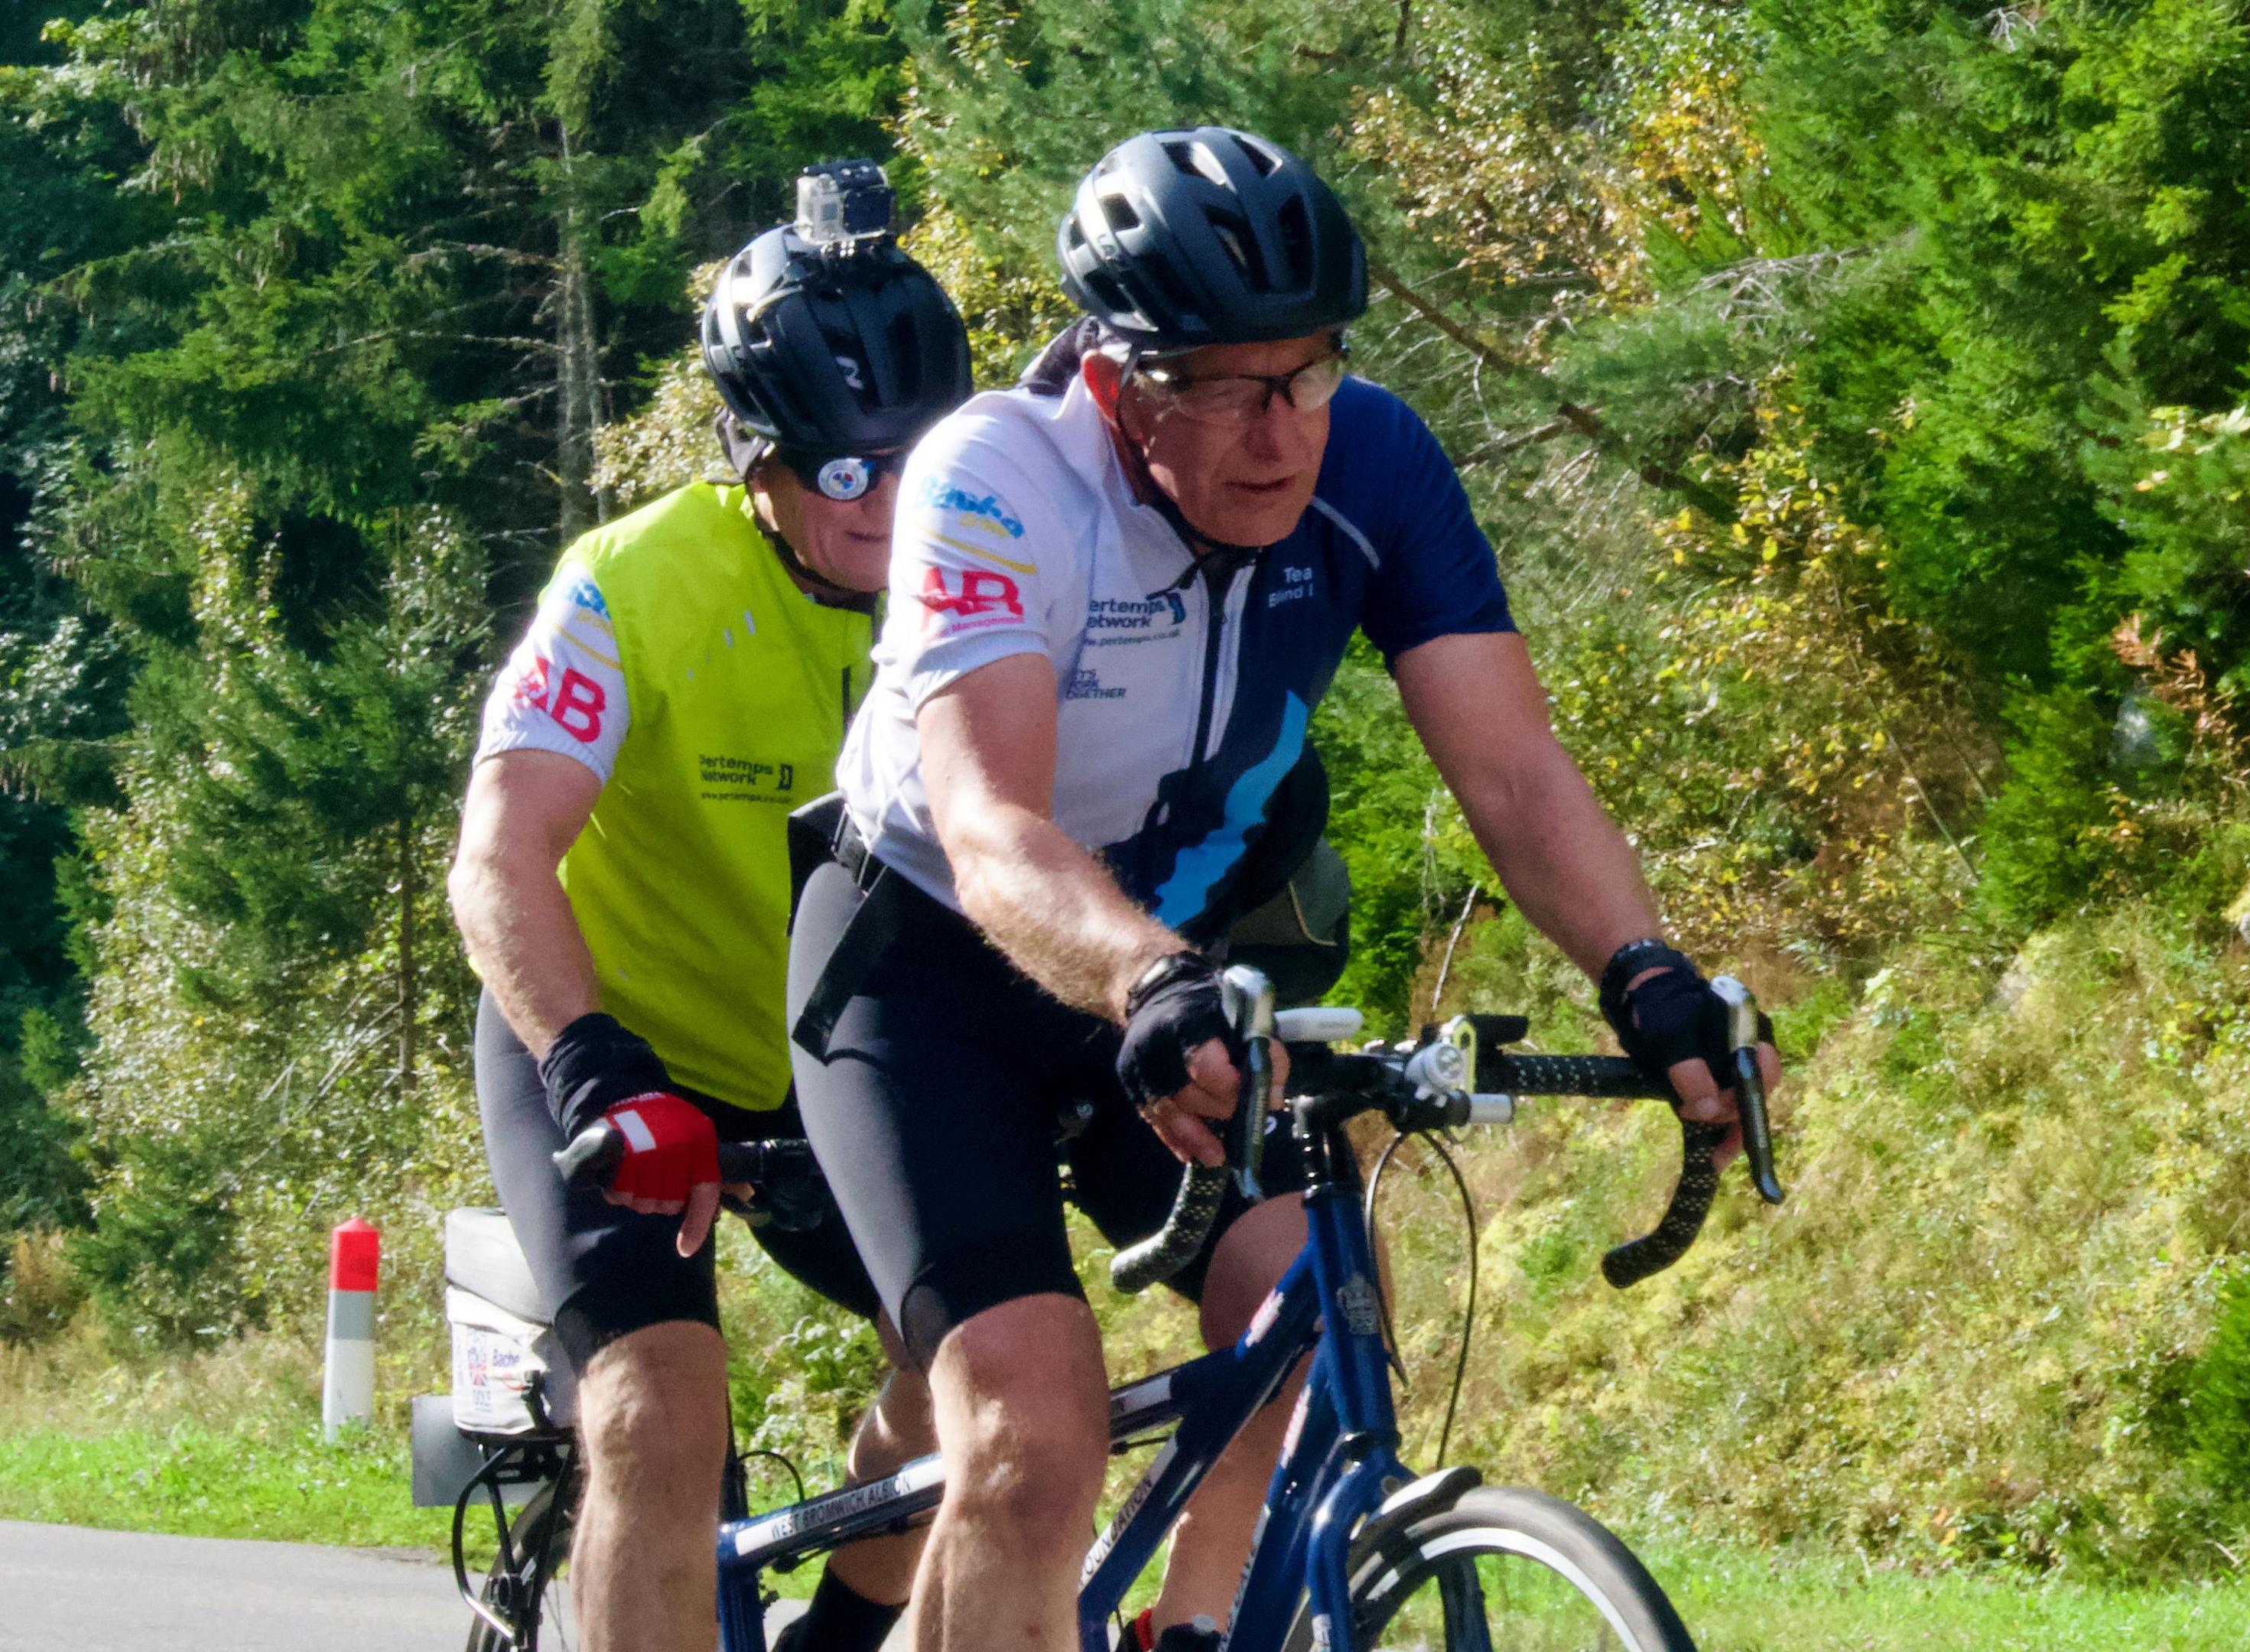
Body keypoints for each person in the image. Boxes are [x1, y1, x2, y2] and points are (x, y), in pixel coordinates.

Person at [785, 126, 1780, 1652]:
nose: (1283, 430)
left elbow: (1512, 773)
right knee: (1031, 1440)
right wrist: (1144, 982)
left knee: (1311, 1312)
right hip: (926, 970)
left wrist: (1642, 970)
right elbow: (988, 825)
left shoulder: (1375, 460)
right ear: (1116, 382)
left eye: (1308, 372)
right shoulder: (994, 478)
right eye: (1228, 387)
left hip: (1177, 958)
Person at [447, 160, 971, 1652]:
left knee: (982, 1375)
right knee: (662, 1420)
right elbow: (499, 852)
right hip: (622, 1049)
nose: (885, 507)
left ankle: (837, 1641)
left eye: (916, 459)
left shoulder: (997, 577)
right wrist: (597, 1070)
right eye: (842, 470)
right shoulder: (629, 586)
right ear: (754, 449)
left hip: (835, 1054)